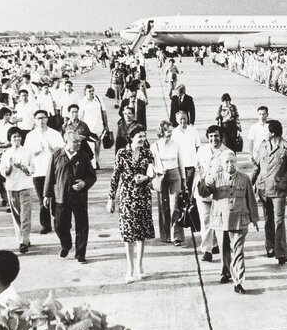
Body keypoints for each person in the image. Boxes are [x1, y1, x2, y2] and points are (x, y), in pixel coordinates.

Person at [198, 152, 260, 294]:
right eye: (226, 162)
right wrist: (201, 180)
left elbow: (250, 199)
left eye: (232, 161)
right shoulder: (215, 178)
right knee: (224, 248)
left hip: (240, 219)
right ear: (221, 164)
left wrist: (254, 218)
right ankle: (225, 272)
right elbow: (204, 193)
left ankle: (238, 281)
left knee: (238, 251)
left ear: (236, 162)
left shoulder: (244, 179)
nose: (229, 165)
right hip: (221, 220)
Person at [251, 120, 287, 265]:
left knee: (279, 220)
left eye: (267, 130)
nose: (265, 133)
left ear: (272, 132)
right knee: (268, 219)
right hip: (263, 188)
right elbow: (257, 166)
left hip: (278, 189)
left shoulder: (286, 147)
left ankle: (281, 253)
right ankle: (270, 248)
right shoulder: (263, 145)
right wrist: (250, 182)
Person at [107, 128, 156, 283]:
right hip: (127, 196)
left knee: (141, 233)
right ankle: (130, 269)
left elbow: (154, 172)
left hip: (143, 196)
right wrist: (111, 198)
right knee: (129, 234)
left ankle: (140, 267)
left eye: (144, 136)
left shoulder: (147, 153)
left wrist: (146, 178)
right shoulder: (122, 153)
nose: (142, 139)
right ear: (131, 138)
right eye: (139, 136)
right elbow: (115, 176)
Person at [44, 130, 96, 263]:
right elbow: (49, 176)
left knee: (82, 226)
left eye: (79, 141)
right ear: (66, 141)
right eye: (75, 141)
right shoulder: (56, 155)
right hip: (61, 196)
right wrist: (47, 195)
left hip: (79, 197)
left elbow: (92, 176)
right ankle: (66, 245)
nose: (78, 144)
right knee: (60, 225)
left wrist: (84, 183)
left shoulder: (83, 156)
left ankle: (80, 254)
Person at [194, 125, 234, 262]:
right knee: (205, 220)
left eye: (216, 136)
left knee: (217, 221)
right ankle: (207, 250)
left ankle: (215, 244)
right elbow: (197, 168)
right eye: (211, 136)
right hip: (202, 191)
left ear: (221, 136)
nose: (213, 139)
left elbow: (231, 174)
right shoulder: (202, 150)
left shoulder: (227, 152)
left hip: (218, 193)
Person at [24, 110, 65, 235]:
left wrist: (54, 150)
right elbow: (27, 153)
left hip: (54, 171)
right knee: (43, 200)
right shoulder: (31, 136)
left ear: (47, 119)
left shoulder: (55, 134)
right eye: (38, 118)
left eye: (43, 118)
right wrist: (37, 151)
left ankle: (58, 222)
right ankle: (45, 225)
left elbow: (63, 150)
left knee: (55, 198)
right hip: (38, 171)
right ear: (35, 120)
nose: (41, 121)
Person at [0, 127, 35, 254]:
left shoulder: (27, 151)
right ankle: (22, 237)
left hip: (25, 186)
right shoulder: (6, 153)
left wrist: (23, 167)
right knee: (16, 215)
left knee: (25, 215)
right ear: (10, 138)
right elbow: (3, 172)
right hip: (12, 187)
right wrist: (9, 167)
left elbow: (32, 169)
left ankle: (23, 242)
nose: (17, 139)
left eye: (19, 136)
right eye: (14, 136)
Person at [151, 119, 187, 245]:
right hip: (162, 176)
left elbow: (181, 162)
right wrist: (159, 170)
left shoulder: (176, 144)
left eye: (171, 130)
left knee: (175, 206)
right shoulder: (155, 146)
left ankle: (176, 236)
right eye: (167, 130)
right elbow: (152, 165)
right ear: (161, 131)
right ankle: (165, 235)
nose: (170, 133)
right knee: (163, 207)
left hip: (175, 174)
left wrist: (184, 180)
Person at [79, 84, 108, 169]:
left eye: (92, 91)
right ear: (85, 92)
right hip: (88, 127)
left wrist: (106, 125)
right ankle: (92, 164)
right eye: (89, 91)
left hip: (99, 126)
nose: (92, 93)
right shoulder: (82, 102)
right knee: (90, 146)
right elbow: (80, 116)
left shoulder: (98, 99)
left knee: (98, 145)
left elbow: (104, 112)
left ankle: (96, 161)